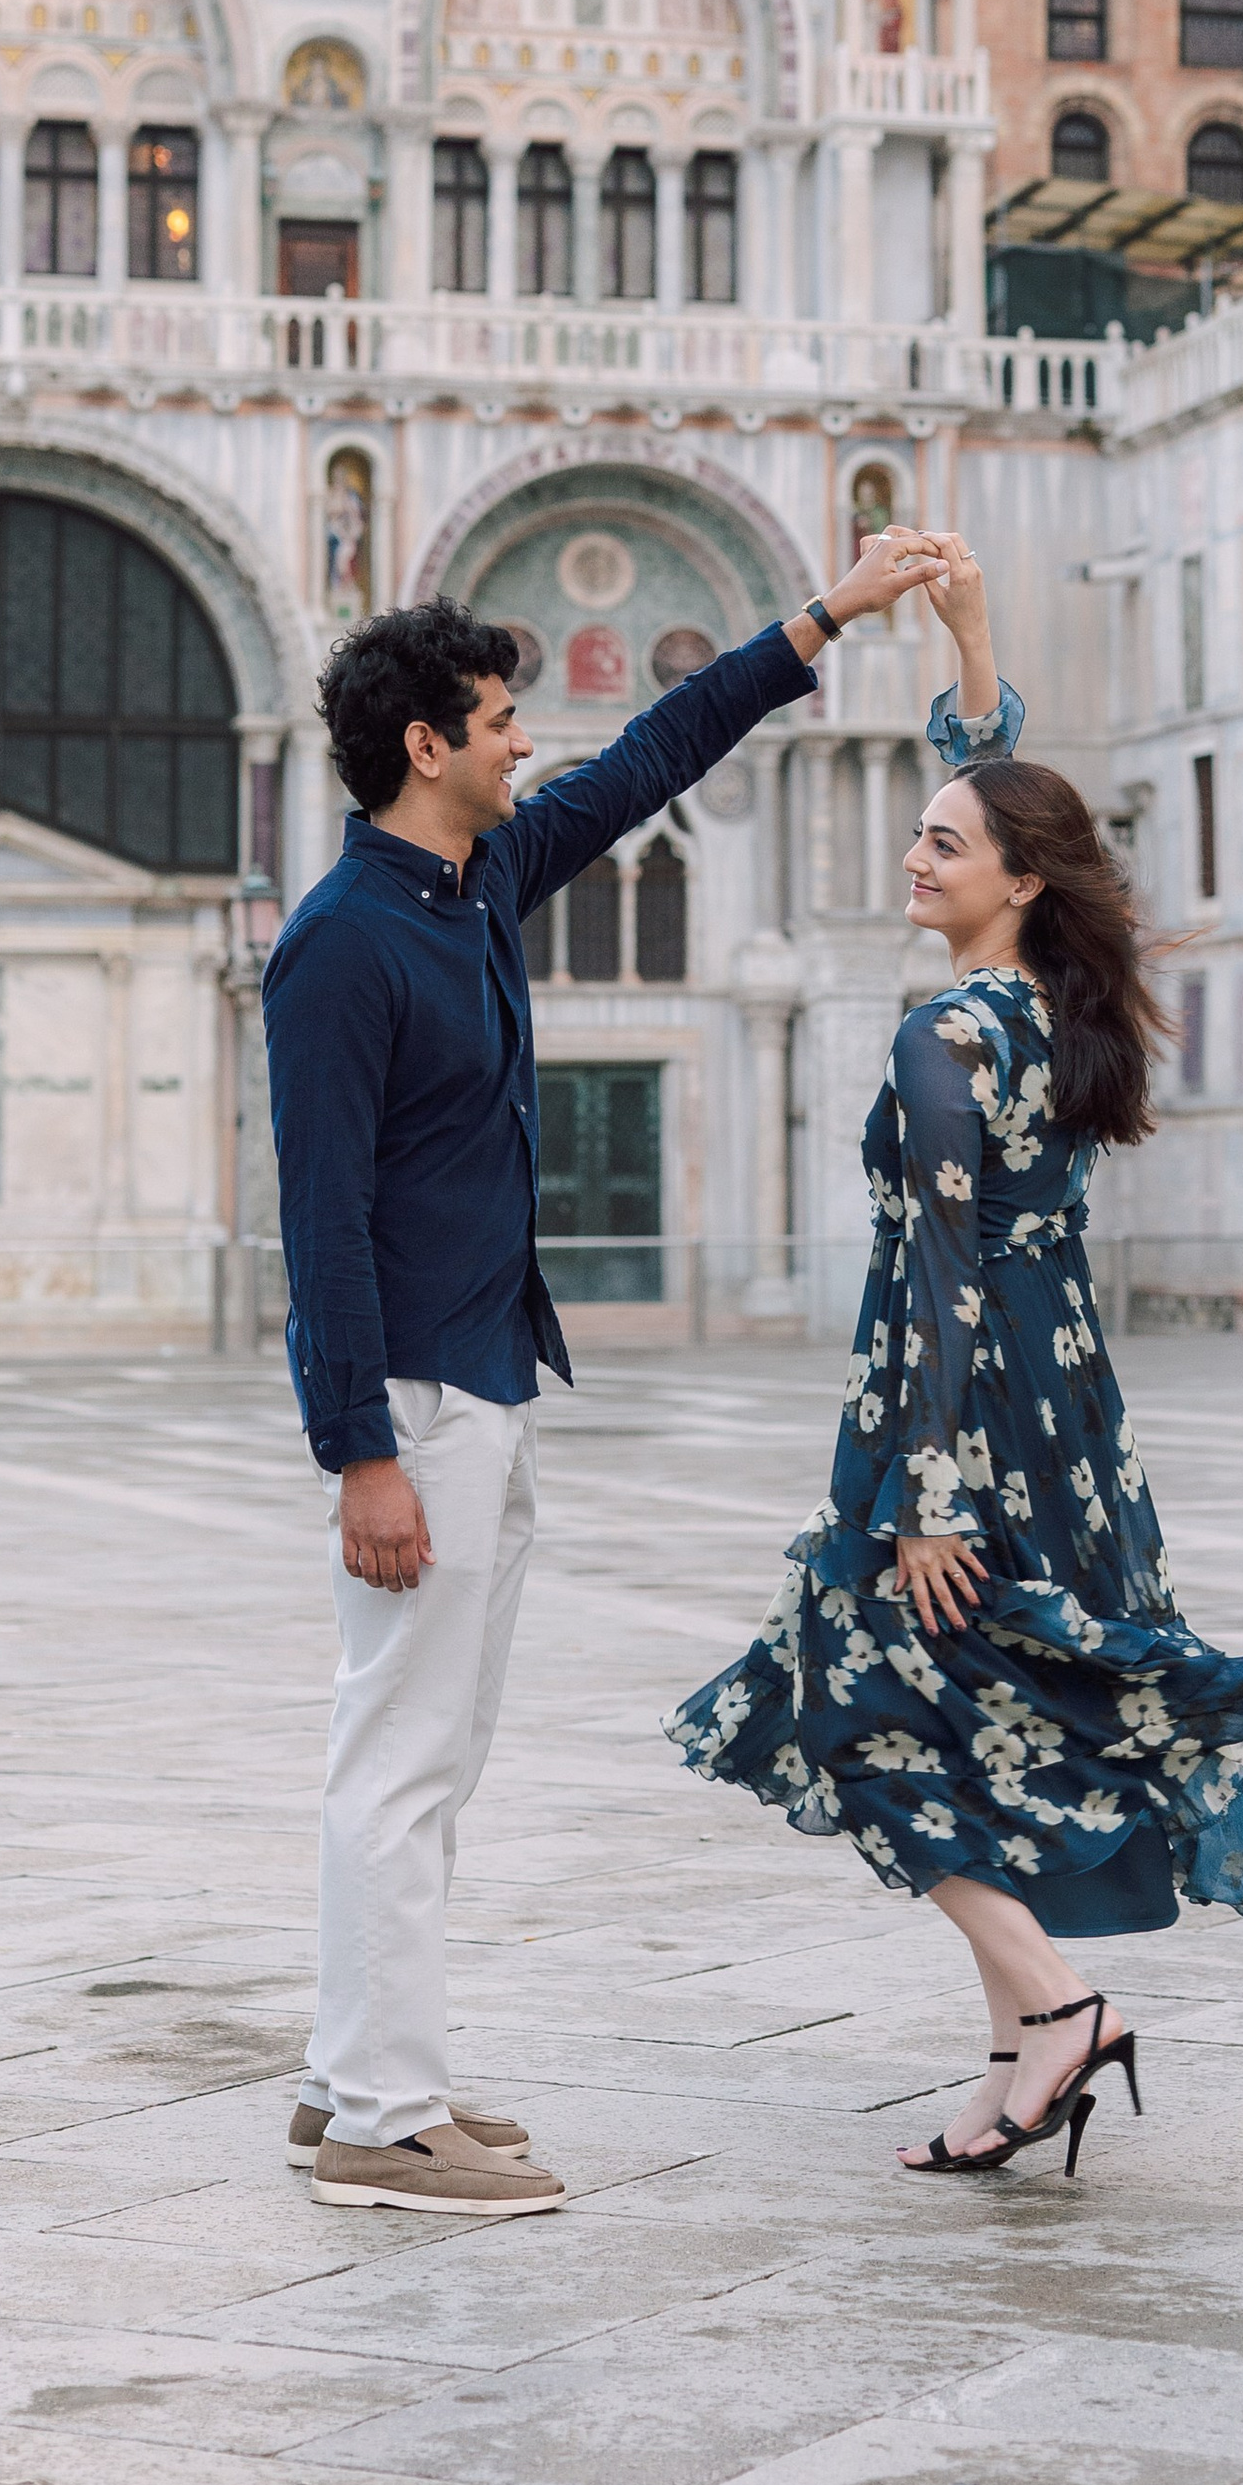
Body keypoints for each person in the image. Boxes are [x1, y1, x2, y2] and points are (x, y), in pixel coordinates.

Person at [265, 526, 951, 2217]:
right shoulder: (344, 941)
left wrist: (825, 619)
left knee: (439, 1748)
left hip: (486, 1374)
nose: (523, 741)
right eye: (497, 718)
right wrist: (359, 1449)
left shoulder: (477, 881)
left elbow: (654, 757)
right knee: (402, 1755)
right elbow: (320, 1214)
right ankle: (378, 2120)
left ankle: (358, 2074)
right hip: (416, 1400)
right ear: (424, 747)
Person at [668, 544, 1243, 2179]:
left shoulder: (942, 1034)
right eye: (920, 832)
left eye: (941, 842)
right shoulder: (1050, 1005)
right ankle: (1010, 2055)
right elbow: (1000, 796)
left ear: (1017, 880)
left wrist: (923, 1497)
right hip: (1067, 1410)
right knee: (978, 1717)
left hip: (950, 1410)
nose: (915, 853)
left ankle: (1059, 2012)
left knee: (855, 1708)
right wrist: (970, 635)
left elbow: (949, 1265)